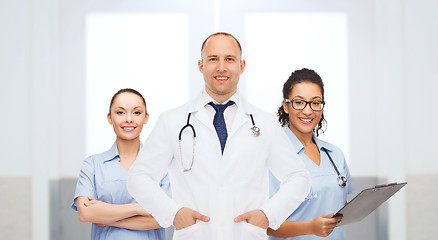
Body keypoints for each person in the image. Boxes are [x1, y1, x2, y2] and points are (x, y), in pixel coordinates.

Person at [127, 32, 311, 240]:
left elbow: (298, 177)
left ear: (241, 66)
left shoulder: (264, 122)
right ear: (200, 65)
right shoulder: (172, 121)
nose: (221, 68)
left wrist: (268, 215)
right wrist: (173, 213)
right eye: (213, 59)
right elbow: (138, 177)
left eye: (229, 59)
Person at [72, 88, 170, 240]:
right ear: (109, 118)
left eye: (137, 112)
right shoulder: (92, 164)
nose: (129, 119)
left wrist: (106, 216)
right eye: (120, 112)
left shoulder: (161, 165)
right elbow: (85, 213)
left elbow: (164, 217)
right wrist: (141, 208)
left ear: (146, 117)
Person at [268, 68, 354, 240]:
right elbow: (266, 224)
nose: (308, 111)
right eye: (299, 102)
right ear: (286, 106)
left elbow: (340, 204)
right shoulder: (272, 154)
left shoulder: (335, 154)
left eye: (315, 103)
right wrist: (310, 227)